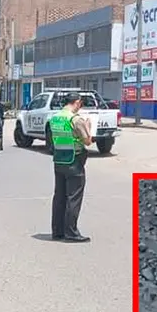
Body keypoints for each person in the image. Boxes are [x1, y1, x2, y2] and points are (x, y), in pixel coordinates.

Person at [49, 92, 93, 243]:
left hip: (59, 159)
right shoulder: (76, 119)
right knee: (73, 197)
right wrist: (88, 127)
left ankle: (57, 231)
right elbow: (87, 141)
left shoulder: (55, 117)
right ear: (77, 102)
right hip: (74, 160)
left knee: (59, 197)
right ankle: (71, 233)